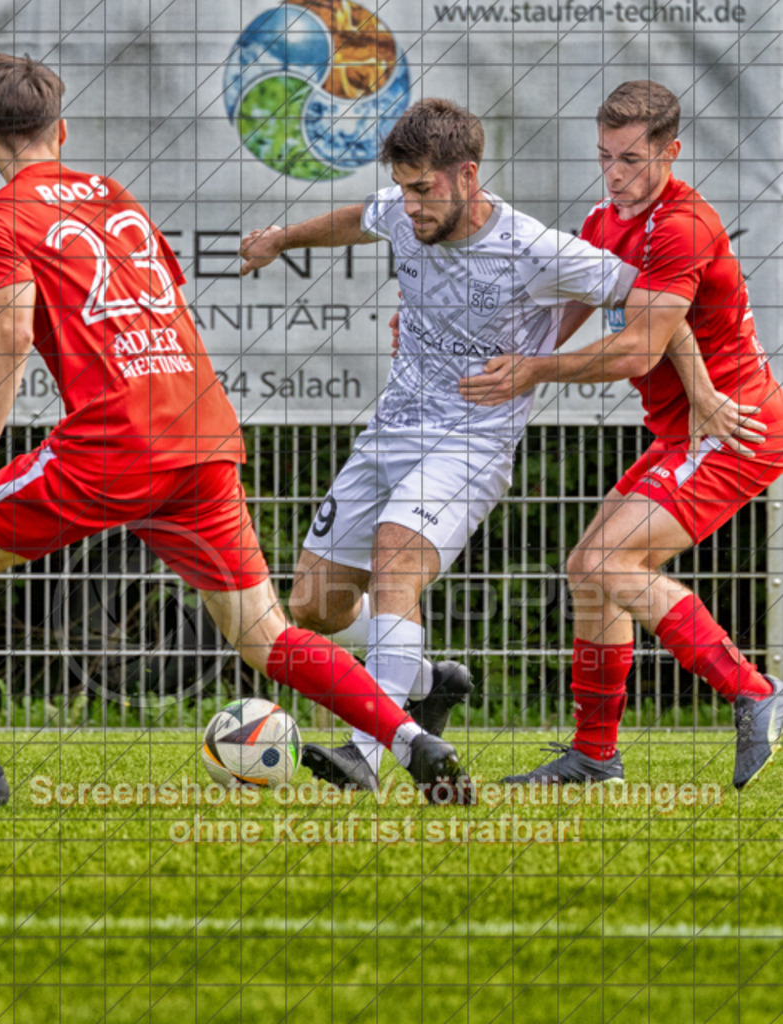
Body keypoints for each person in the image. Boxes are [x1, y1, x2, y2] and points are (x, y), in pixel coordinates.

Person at [0, 52, 468, 806]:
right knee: (265, 637)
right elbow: (160, 301)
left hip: (115, 442)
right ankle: (411, 739)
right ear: (60, 131)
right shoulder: (113, 199)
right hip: (198, 433)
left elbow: (11, 329)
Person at [239, 98, 670, 791]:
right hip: (389, 434)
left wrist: (548, 353)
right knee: (315, 604)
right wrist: (281, 239)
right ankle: (419, 678)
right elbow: (359, 218)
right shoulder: (405, 214)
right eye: (404, 189)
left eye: (421, 190)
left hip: (469, 444)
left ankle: (366, 752)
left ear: (466, 175)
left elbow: (650, 303)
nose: (408, 206)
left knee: (394, 561)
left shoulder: (532, 247)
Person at [459, 80, 783, 790]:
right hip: (682, 429)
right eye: (605, 156)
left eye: (631, 159)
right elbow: (570, 303)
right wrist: (488, 348)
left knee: (608, 564)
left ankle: (752, 691)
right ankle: (594, 755)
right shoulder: (607, 218)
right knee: (588, 570)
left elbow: (639, 347)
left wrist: (531, 371)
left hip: (733, 426)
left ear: (669, 150)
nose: (615, 173)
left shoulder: (682, 226)